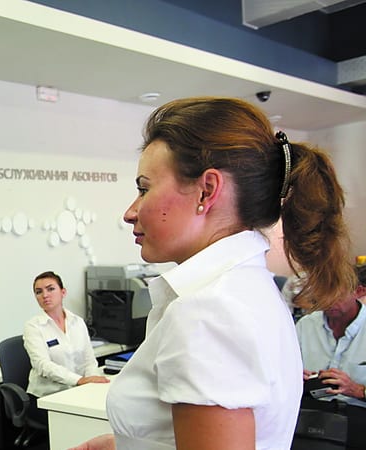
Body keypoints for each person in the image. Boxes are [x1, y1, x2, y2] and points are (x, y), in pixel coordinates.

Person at [71, 97, 357, 450]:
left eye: (144, 188)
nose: (130, 212)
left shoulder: (207, 312)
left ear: (206, 190)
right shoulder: (242, 289)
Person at [23, 271, 109, 424]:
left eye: (50, 289)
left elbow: (89, 360)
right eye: (39, 292)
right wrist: (79, 380)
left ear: (63, 292)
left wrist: (92, 383)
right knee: (83, 423)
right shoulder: (33, 326)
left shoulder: (78, 322)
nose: (45, 295)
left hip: (78, 392)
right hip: (46, 398)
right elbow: (43, 365)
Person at [297, 264, 366, 406]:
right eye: (322, 295)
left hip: (357, 412)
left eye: (337, 295)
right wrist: (294, 379)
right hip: (310, 409)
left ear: (359, 292)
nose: (328, 302)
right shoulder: (306, 325)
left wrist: (358, 390)